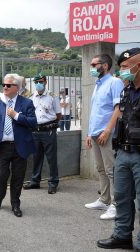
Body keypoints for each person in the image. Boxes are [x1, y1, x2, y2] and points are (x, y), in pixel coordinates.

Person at [96, 48, 140, 250]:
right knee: (121, 196)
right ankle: (122, 235)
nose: (121, 71)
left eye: (124, 66)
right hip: (123, 152)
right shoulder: (125, 91)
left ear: (138, 66)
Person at [0, 73, 37, 217]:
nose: (5, 87)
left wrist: (16, 115)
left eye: (9, 85)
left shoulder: (26, 103)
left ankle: (15, 203)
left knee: (18, 177)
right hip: (2, 147)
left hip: (20, 146)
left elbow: (33, 123)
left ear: (17, 87)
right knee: (1, 176)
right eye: (4, 85)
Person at [84, 54, 124, 220]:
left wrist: (108, 130)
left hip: (106, 133)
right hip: (95, 133)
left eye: (94, 64)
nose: (92, 67)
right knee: (101, 169)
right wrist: (89, 133)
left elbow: (118, 109)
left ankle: (117, 205)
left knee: (111, 170)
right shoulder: (98, 84)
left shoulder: (115, 82)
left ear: (105, 65)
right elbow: (96, 111)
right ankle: (104, 199)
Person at [23, 74, 61, 194]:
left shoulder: (52, 96)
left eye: (40, 81)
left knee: (51, 158)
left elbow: (58, 115)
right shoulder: (30, 97)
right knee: (36, 157)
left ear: (45, 82)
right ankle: (35, 181)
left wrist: (49, 125)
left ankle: (53, 182)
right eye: (36, 82)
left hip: (48, 131)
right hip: (35, 131)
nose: (38, 84)